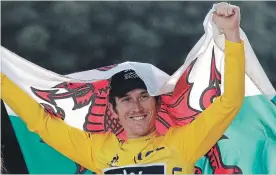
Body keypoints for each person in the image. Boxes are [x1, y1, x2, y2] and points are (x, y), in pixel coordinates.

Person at [0, 2, 245, 174]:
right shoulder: (96, 149)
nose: (136, 106)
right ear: (113, 110)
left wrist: (231, 34)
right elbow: (40, 122)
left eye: (143, 96)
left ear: (156, 103)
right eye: (125, 99)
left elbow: (229, 103)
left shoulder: (183, 143)